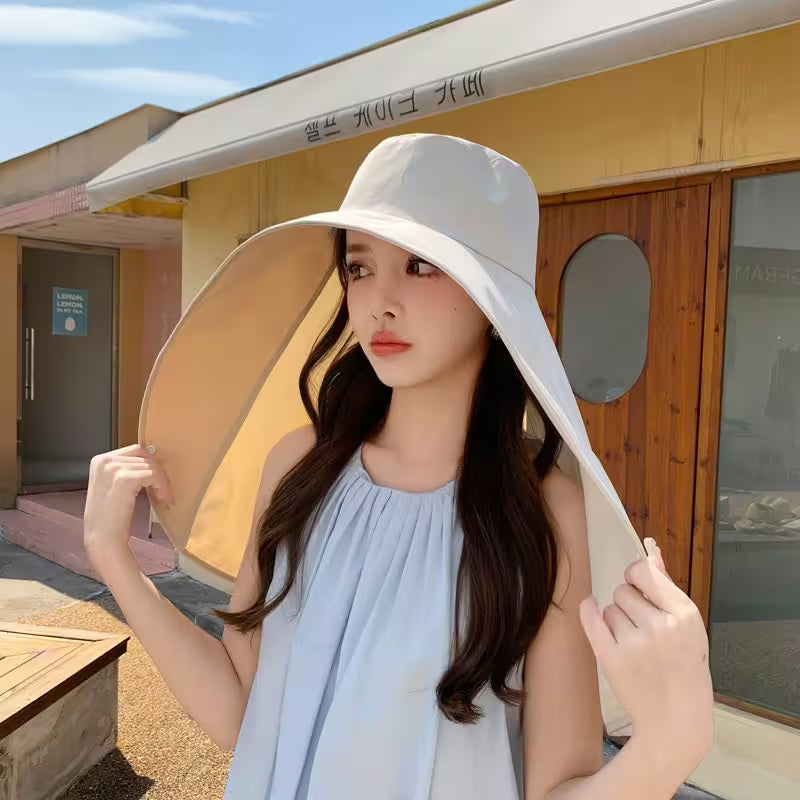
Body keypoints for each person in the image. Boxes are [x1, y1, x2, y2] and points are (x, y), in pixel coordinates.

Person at [83, 134, 713, 799]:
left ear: (495, 302)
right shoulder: (300, 467)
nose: (378, 301)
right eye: (359, 266)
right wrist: (115, 561)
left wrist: (671, 746)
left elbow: (556, 787)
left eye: (419, 265)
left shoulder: (541, 512)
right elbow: (243, 712)